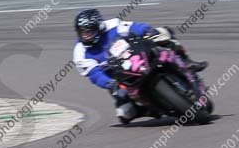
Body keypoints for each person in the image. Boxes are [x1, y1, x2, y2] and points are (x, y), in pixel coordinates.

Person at [73, 9, 208, 123]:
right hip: (119, 78)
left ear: (98, 27)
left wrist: (148, 30)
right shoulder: (80, 52)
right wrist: (109, 84)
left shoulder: (112, 25)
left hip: (136, 55)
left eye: (89, 32)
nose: (86, 36)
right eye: (83, 32)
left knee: (163, 32)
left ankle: (187, 61)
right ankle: (150, 109)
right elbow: (94, 74)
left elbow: (132, 27)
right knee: (125, 113)